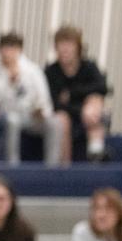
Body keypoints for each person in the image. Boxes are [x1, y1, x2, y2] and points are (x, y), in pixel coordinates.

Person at [0, 31, 59, 165]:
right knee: (12, 120)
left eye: (12, 48)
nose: (8, 53)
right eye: (5, 48)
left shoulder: (32, 69)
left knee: (54, 123)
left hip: (31, 116)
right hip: (6, 115)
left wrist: (41, 110)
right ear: (0, 50)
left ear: (19, 50)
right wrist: (11, 83)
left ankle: (52, 166)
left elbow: (43, 97)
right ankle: (13, 164)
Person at [45, 25, 109, 163]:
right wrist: (80, 111)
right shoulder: (51, 72)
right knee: (62, 118)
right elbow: (55, 104)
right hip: (66, 116)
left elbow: (103, 87)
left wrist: (72, 94)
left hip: (89, 116)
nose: (65, 49)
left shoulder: (89, 66)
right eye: (61, 45)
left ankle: (95, 153)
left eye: (69, 45)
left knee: (95, 100)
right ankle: (65, 166)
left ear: (78, 47)